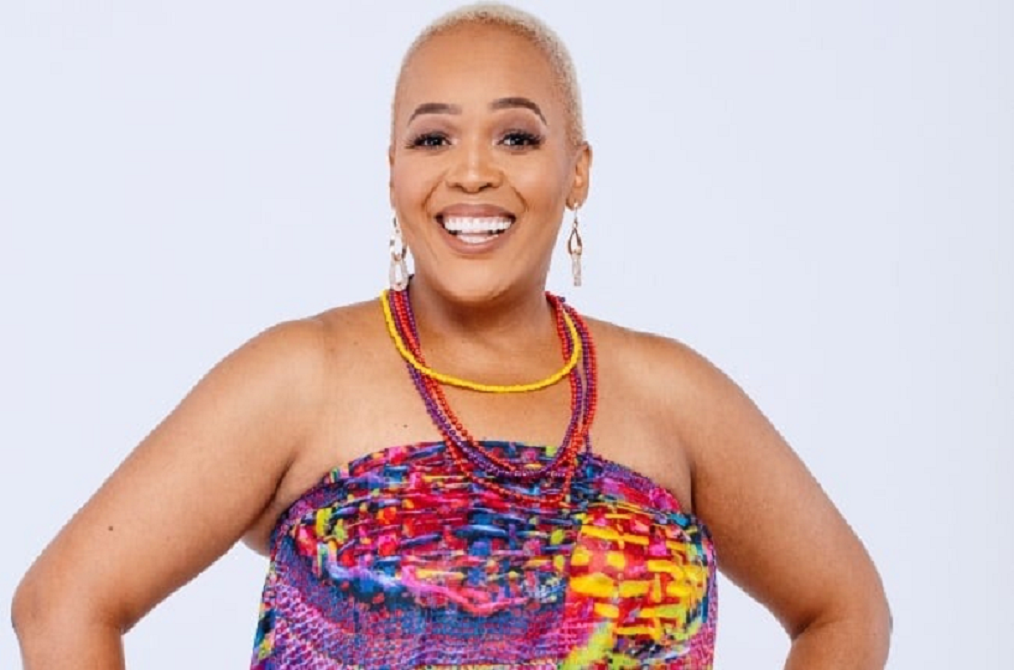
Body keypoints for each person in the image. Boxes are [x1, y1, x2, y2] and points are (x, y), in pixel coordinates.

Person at [12, 3, 891, 668]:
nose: (472, 172)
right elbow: (63, 607)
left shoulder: (675, 396)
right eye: (433, 138)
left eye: (517, 136)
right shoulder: (302, 378)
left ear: (576, 171)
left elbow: (845, 610)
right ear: (393, 170)